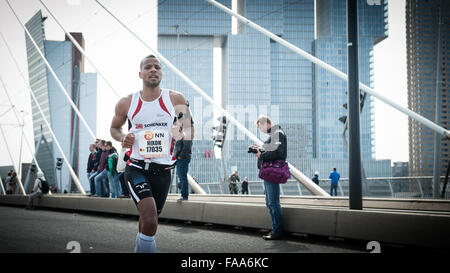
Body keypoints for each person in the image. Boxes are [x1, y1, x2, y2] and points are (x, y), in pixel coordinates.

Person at [110, 54, 192, 253]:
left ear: (162, 73)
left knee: (148, 221)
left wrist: (178, 131)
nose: (153, 70)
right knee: (150, 219)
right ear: (140, 73)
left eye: (157, 67)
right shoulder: (126, 102)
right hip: (136, 167)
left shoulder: (175, 98)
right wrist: (123, 138)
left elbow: (188, 129)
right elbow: (114, 128)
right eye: (148, 67)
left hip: (163, 171)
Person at [251, 115, 287, 240]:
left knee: (273, 202)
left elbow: (278, 153)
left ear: (266, 123)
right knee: (269, 202)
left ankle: (277, 231)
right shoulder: (273, 136)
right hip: (268, 172)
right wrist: (260, 150)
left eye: (260, 126)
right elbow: (271, 151)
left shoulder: (278, 133)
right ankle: (275, 229)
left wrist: (261, 155)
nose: (260, 129)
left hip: (273, 172)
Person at [174, 103, 194, 202]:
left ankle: (184, 195)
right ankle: (184, 195)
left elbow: (187, 145)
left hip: (183, 158)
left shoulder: (186, 132)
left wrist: (180, 156)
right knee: (182, 176)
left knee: (182, 177)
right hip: (181, 158)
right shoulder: (183, 132)